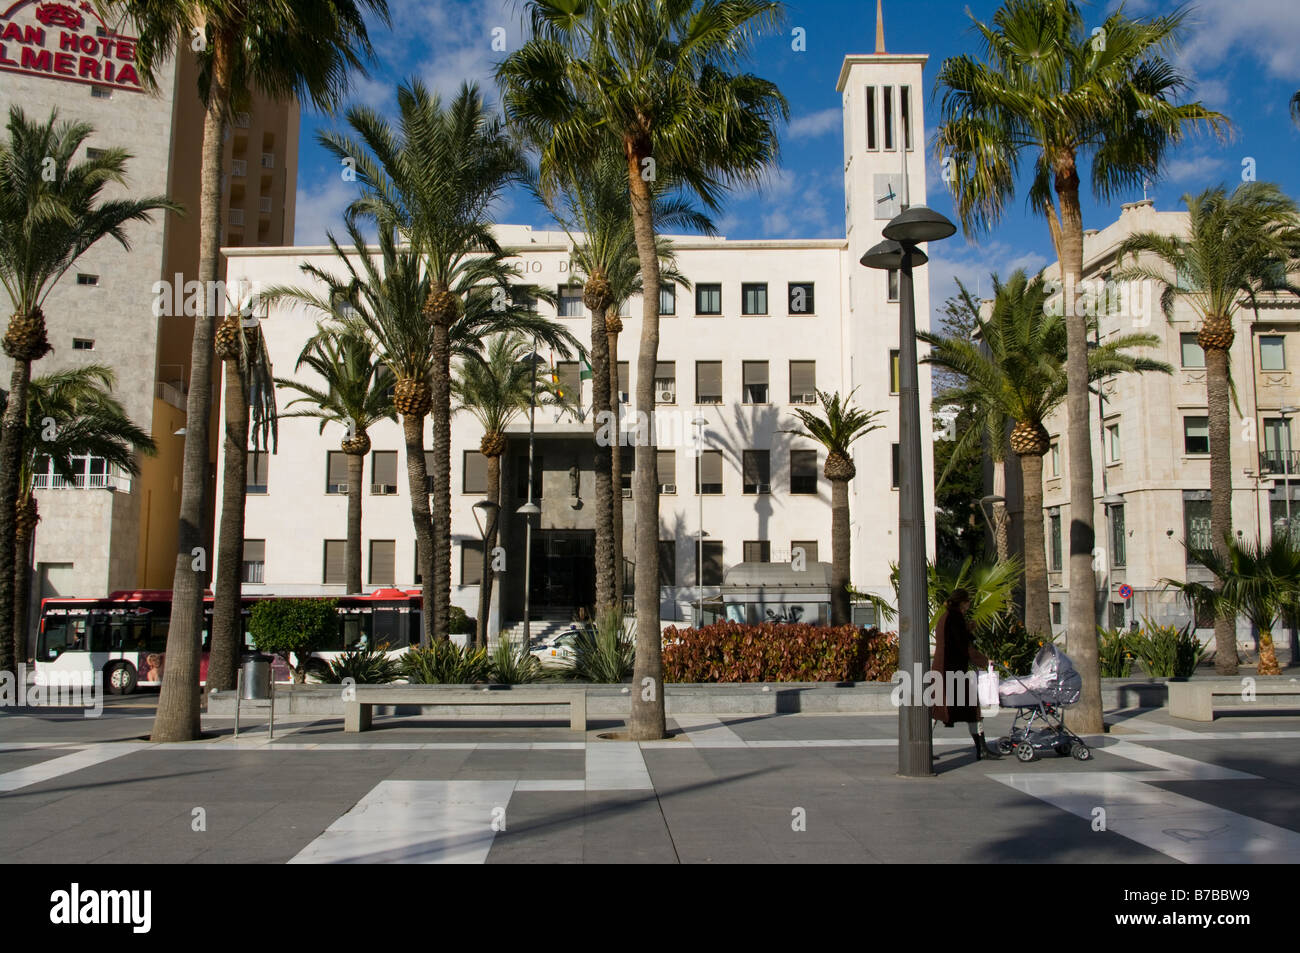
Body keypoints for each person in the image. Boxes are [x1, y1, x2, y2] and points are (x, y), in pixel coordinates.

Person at [930, 588, 993, 760]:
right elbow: (962, 646)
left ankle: (924, 748)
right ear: (963, 602)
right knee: (968, 708)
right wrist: (984, 661)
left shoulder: (947, 617)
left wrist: (967, 629)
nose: (970, 605)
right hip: (950, 671)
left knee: (938, 710)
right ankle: (982, 749)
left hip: (945, 670)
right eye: (968, 602)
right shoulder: (955, 618)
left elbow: (955, 639)